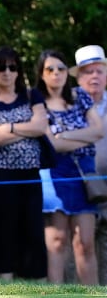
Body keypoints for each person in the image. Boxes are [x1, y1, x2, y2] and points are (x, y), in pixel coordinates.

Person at [0, 46, 48, 280]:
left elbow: (40, 127)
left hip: (29, 174)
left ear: (18, 71)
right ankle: (4, 282)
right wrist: (25, 131)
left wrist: (9, 127)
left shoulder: (32, 96)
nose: (7, 72)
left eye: (12, 67)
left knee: (33, 230)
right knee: (1, 229)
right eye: (1, 66)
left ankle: (35, 281)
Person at [37, 49, 103, 284]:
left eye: (61, 68)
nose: (56, 73)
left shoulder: (81, 97)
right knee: (57, 241)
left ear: (68, 72)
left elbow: (100, 131)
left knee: (85, 241)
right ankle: (56, 291)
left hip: (84, 172)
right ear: (42, 74)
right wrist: (80, 137)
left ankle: (91, 293)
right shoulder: (38, 104)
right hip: (55, 173)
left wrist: (64, 134)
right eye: (50, 69)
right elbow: (51, 145)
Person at [74, 46, 107, 284]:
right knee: (79, 245)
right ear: (78, 77)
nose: (94, 76)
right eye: (88, 72)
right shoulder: (67, 104)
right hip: (75, 186)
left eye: (99, 71)